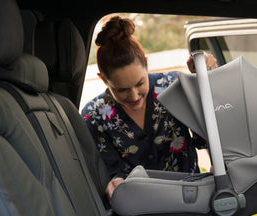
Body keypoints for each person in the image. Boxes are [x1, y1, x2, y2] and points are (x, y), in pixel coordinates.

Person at [82, 16, 217, 200]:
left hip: (191, 197)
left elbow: (206, 136)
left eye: (140, 83)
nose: (134, 95)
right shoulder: (94, 116)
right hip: (141, 207)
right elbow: (113, 170)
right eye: (121, 90)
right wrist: (116, 182)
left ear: (146, 63)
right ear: (103, 79)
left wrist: (204, 81)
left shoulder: (173, 86)